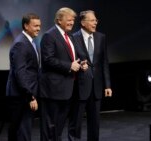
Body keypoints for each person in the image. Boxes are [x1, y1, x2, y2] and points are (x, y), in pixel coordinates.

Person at [39, 7, 87, 141]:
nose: (72, 22)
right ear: (59, 20)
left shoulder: (70, 36)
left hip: (67, 89)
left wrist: (80, 63)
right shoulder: (49, 35)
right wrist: (69, 66)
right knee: (50, 127)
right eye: (69, 20)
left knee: (59, 127)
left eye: (73, 20)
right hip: (53, 90)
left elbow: (72, 58)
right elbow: (48, 59)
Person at [68, 10, 112, 141]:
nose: (95, 23)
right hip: (80, 86)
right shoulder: (73, 38)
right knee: (75, 122)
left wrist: (107, 85)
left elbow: (104, 62)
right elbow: (71, 60)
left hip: (96, 87)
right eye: (92, 20)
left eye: (96, 20)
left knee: (95, 123)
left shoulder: (101, 37)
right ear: (83, 22)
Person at [6, 13, 41, 141]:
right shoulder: (21, 44)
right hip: (21, 95)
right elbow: (20, 73)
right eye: (35, 26)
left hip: (24, 94)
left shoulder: (30, 42)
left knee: (23, 129)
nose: (38, 28)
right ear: (26, 26)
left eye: (39, 26)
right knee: (21, 131)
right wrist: (30, 96)